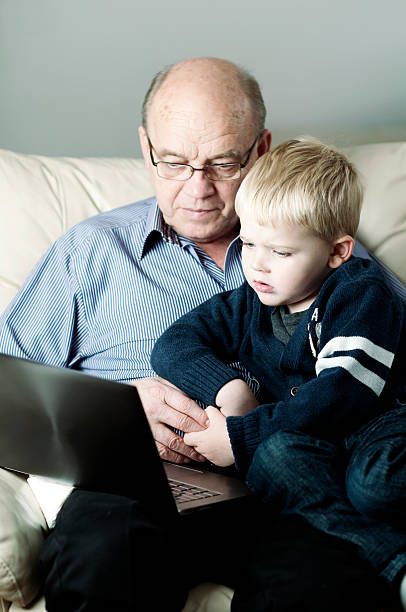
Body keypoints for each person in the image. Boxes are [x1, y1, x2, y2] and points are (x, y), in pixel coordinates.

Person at [0, 57, 404, 611]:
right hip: (140, 487)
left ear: (260, 151)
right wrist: (117, 408)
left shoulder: (332, 259)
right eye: (172, 162)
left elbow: (379, 381)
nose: (199, 189)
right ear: (145, 148)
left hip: (294, 487)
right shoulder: (88, 252)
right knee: (101, 555)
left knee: (319, 585)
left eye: (222, 164)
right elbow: (8, 388)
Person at [151, 138, 406, 606]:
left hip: (381, 425)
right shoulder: (252, 300)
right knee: (273, 462)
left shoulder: (360, 294)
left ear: (336, 252)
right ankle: (395, 562)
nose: (257, 264)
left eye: (282, 253)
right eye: (248, 242)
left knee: (374, 486)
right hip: (317, 445)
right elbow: (174, 343)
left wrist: (240, 437)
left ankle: (389, 563)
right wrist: (226, 387)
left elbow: (341, 394)